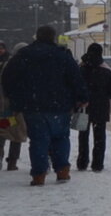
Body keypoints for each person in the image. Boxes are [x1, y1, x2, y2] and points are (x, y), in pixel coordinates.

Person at [0, 26, 88, 186]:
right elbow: (76, 78)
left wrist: (14, 97)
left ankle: (39, 174)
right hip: (60, 105)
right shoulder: (62, 55)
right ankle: (62, 171)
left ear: (37, 37)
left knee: (38, 140)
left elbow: (8, 77)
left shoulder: (24, 55)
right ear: (53, 37)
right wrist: (82, 97)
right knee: (61, 138)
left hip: (33, 106)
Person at [77, 43, 111, 173]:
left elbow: (74, 87)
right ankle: (98, 164)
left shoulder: (81, 69)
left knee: (83, 135)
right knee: (100, 137)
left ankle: (82, 162)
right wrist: (108, 105)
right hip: (101, 107)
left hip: (83, 107)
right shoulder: (106, 71)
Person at [0, 41, 23, 171]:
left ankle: (11, 160)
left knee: (10, 131)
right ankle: (11, 161)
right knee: (13, 132)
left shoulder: (9, 65)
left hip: (8, 106)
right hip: (10, 106)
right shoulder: (15, 65)